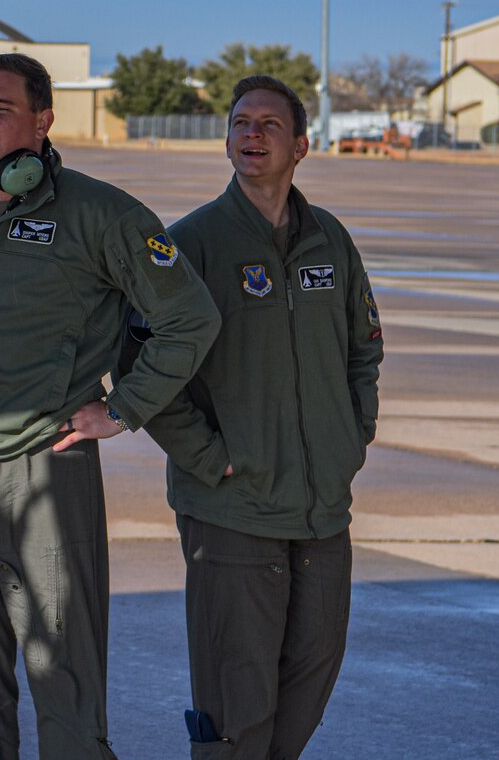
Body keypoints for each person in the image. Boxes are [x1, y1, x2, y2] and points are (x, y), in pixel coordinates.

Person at [0, 53, 222, 760]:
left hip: (47, 464)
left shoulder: (98, 213)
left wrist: (123, 411)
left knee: (64, 665)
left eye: (0, 106)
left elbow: (190, 318)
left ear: (43, 119)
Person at [125, 75, 383, 759]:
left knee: (311, 675)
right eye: (241, 122)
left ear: (301, 144)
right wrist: (207, 457)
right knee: (236, 700)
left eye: (269, 123)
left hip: (322, 508)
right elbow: (135, 359)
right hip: (231, 510)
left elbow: (364, 350)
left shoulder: (330, 240)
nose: (252, 133)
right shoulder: (191, 245)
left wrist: (350, 438)